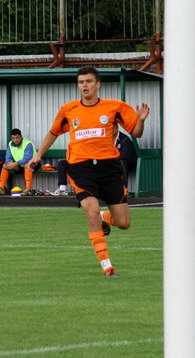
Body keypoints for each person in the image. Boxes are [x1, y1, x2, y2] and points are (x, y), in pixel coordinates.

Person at [29, 66, 150, 277]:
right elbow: (53, 132)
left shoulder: (115, 107)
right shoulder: (69, 110)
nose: (84, 85)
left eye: (88, 81)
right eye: (81, 82)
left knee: (123, 223)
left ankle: (104, 216)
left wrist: (140, 120)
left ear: (98, 84)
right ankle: (107, 266)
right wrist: (38, 155)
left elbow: (136, 133)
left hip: (110, 167)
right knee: (91, 212)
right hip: (80, 166)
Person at [54, 130, 138, 195]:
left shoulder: (124, 139)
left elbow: (125, 156)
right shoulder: (101, 139)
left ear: (116, 127)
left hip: (126, 162)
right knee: (63, 163)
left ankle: (123, 188)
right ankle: (62, 189)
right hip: (97, 161)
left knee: (121, 162)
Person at [0, 128, 36, 195]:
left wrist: (15, 163)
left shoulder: (28, 144)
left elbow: (28, 158)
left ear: (21, 136)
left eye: (17, 138)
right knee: (5, 166)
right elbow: (8, 157)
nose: (15, 140)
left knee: (27, 165)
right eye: (13, 138)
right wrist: (8, 163)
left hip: (32, 164)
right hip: (19, 165)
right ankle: (1, 188)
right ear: (11, 138)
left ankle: (28, 189)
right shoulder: (10, 144)